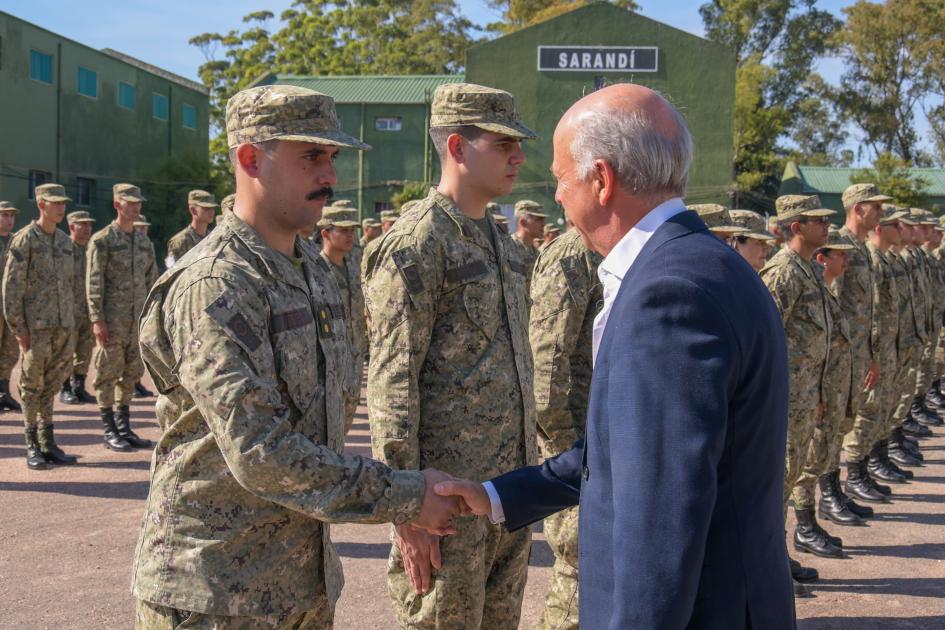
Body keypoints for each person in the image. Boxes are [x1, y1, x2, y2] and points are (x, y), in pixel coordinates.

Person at [435, 84, 794, 629]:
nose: (556, 197)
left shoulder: (668, 293)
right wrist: (498, 496)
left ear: (601, 180)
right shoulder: (706, 264)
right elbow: (630, 449)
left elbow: (660, 517)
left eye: (561, 179)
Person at [132, 84, 460, 629]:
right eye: (311, 155)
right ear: (249, 158)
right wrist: (403, 496)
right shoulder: (217, 285)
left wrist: (396, 504)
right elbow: (261, 451)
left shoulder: (314, 270)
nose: (330, 174)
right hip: (215, 595)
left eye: (332, 157)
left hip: (299, 584)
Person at [363, 82, 538, 629]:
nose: (519, 156)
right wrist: (404, 503)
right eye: (503, 143)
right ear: (458, 147)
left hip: (504, 495)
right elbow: (392, 382)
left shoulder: (504, 246)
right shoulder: (418, 243)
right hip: (444, 507)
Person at [529, 227, 602, 629]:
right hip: (575, 443)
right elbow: (547, 367)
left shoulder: (609, 249)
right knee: (580, 567)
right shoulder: (572, 255)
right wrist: (565, 455)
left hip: (598, 437)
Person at [2, 184, 78, 469]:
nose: (61, 208)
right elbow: (11, 289)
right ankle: (31, 444)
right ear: (41, 204)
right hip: (36, 329)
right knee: (31, 387)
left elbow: (72, 285)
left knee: (51, 386)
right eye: (55, 203)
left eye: (63, 203)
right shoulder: (25, 240)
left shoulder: (63, 241)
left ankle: (48, 442)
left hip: (62, 326)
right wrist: (19, 328)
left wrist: (73, 323)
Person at [87, 184, 158, 451]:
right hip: (112, 321)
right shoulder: (102, 240)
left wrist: (151, 318)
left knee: (130, 373)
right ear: (118, 205)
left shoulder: (143, 242)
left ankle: (124, 426)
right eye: (131, 202)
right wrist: (97, 319)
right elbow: (94, 282)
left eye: (139, 202)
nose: (137, 207)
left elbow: (152, 280)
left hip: (136, 321)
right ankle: (109, 430)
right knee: (107, 374)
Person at [316, 204, 366, 431]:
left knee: (345, 424)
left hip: (354, 357)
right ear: (325, 233)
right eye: (343, 230)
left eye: (352, 230)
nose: (350, 236)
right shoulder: (315, 271)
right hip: (329, 363)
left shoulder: (355, 265)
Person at [59, 210, 97, 404]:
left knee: (85, 350)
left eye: (89, 225)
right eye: (83, 224)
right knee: (66, 350)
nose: (87, 228)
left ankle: (79, 386)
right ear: (72, 226)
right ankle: (65, 388)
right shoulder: (63, 248)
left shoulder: (92, 250)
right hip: (68, 310)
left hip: (88, 310)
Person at [0, 201, 22, 412]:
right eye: (4, 215)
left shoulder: (17, 242)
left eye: (10, 216)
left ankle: (3, 392)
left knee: (9, 351)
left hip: (11, 306)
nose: (8, 219)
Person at [165, 189, 218, 267]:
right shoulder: (180, 241)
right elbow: (173, 273)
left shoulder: (215, 239)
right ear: (193, 210)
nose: (211, 212)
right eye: (206, 208)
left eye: (212, 208)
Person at [509, 199, 546, 286]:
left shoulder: (535, 252)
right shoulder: (510, 247)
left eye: (543, 219)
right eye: (539, 219)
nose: (544, 224)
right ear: (523, 222)